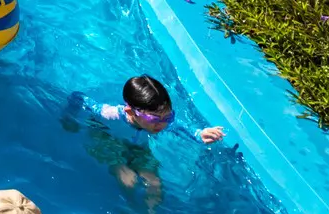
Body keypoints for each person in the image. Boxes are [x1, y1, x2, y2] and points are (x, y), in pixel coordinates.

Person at [65, 76, 226, 201]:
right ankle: (129, 210)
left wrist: (199, 134)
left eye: (168, 117)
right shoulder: (110, 115)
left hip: (138, 148)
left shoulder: (162, 121)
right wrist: (68, 118)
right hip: (106, 140)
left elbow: (181, 127)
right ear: (130, 111)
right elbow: (78, 97)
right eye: (154, 119)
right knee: (129, 179)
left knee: (155, 184)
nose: (162, 124)